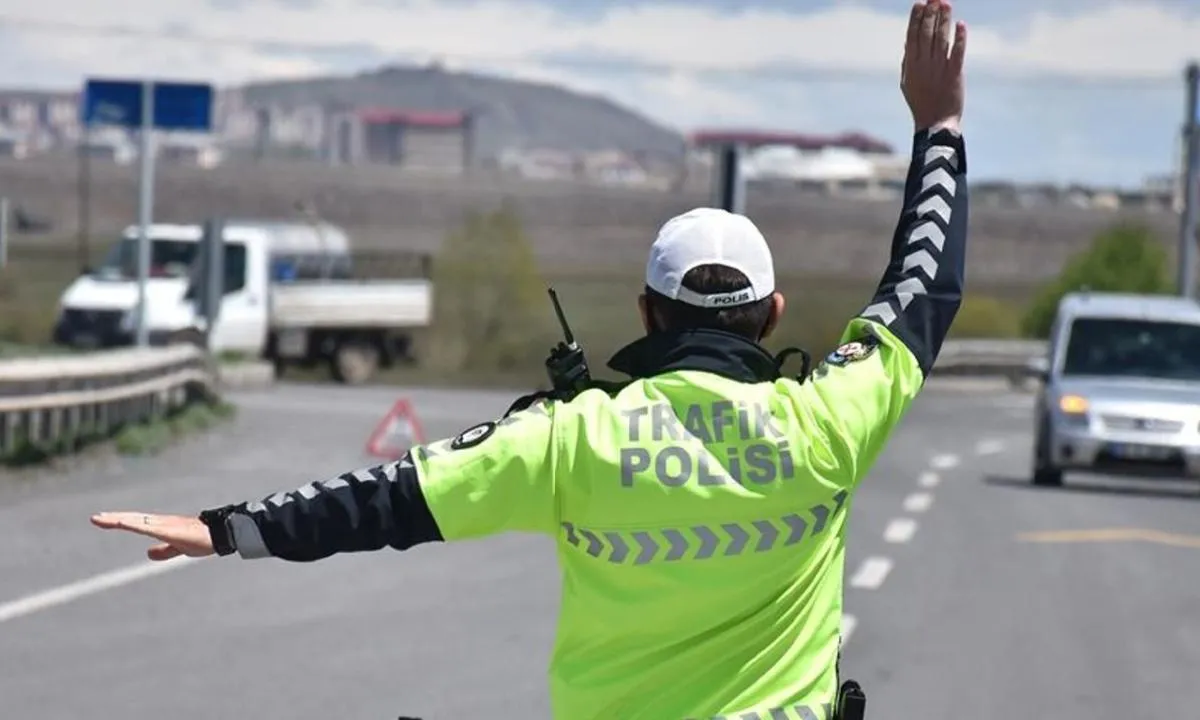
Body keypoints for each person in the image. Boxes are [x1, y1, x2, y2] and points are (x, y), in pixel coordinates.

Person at [91, 1, 969, 717]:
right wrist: (940, 127)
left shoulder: (569, 438)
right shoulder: (826, 421)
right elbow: (921, 287)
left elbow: (390, 499)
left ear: (646, 313)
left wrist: (229, 527)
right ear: (773, 315)